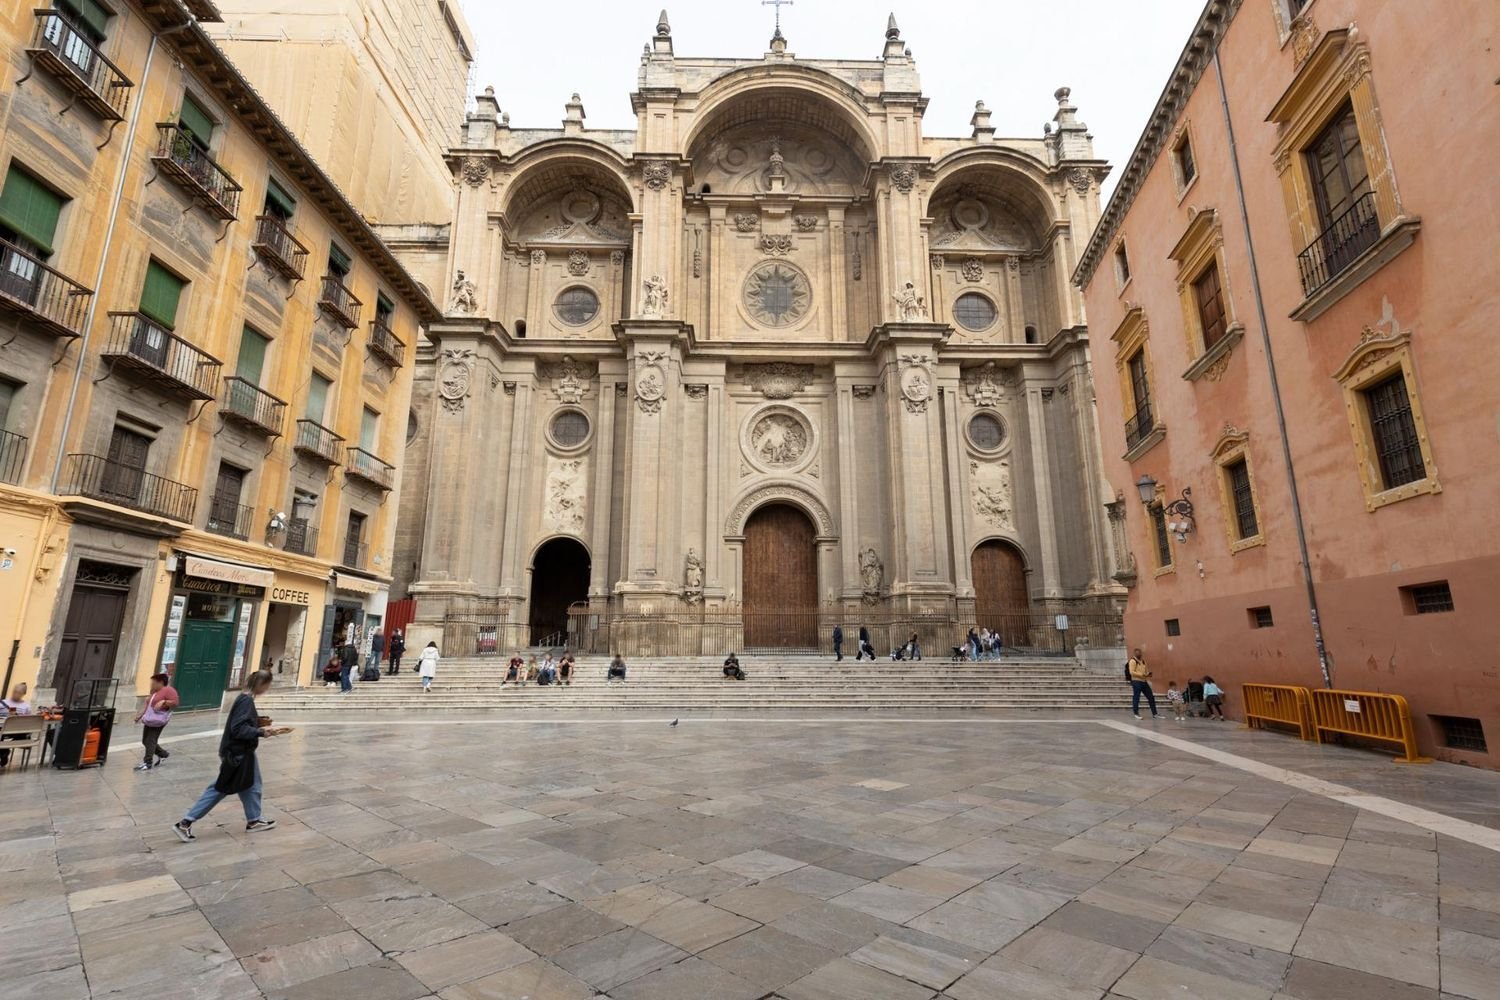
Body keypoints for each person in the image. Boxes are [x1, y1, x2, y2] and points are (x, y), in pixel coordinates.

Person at [172, 670, 280, 841]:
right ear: (261, 684)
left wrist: (257, 721)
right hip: (238, 752)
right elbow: (238, 729)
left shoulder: (244, 698)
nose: (267, 689)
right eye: (267, 685)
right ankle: (185, 822)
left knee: (252, 785)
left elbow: (240, 723)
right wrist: (260, 732)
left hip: (240, 751)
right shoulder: (246, 700)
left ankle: (254, 820)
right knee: (220, 788)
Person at [133, 673, 179, 771]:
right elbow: (148, 704)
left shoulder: (168, 690)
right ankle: (163, 754)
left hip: (158, 719)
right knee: (145, 740)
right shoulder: (154, 691)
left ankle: (147, 762)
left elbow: (175, 702)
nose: (151, 684)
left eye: (153, 682)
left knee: (151, 740)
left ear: (161, 682)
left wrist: (164, 702)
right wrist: (140, 715)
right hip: (149, 719)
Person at [1127, 647, 1161, 720]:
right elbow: (1131, 672)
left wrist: (1148, 674)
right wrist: (1141, 674)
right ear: (1135, 653)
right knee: (1136, 697)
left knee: (1151, 697)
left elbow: (1145, 671)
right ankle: (1136, 713)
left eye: (1140, 653)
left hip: (1144, 681)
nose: (1139, 654)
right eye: (1137, 653)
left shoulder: (1143, 661)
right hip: (1136, 681)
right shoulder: (1132, 661)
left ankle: (1155, 714)